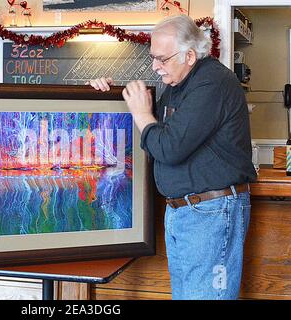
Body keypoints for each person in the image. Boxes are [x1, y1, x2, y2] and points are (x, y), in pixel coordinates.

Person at [89, 14, 257, 300]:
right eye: (153, 58)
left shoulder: (211, 83)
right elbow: (150, 136)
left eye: (162, 59)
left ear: (189, 55)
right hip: (185, 212)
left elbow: (169, 147)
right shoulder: (179, 85)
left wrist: (141, 112)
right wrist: (112, 95)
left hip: (210, 214)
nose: (155, 67)